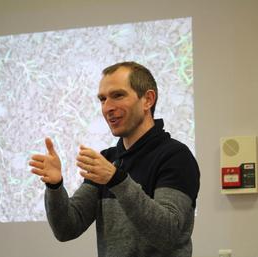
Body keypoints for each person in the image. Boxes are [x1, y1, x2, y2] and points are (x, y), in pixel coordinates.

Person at [29, 62, 200, 257]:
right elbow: (67, 228)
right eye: (102, 99)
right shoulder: (108, 160)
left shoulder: (175, 156)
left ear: (148, 100)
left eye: (118, 95)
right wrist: (55, 186)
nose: (107, 107)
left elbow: (167, 233)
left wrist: (117, 180)